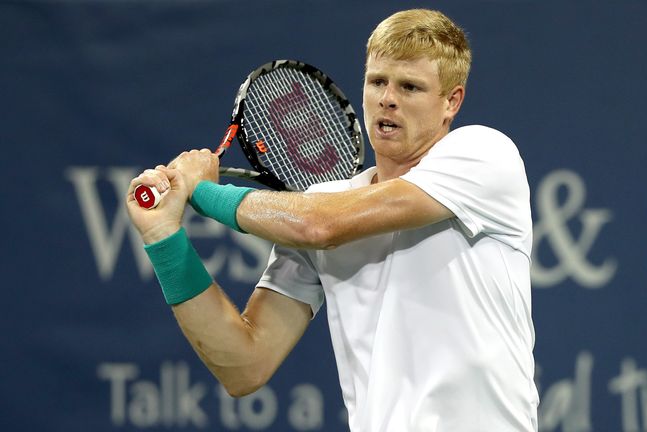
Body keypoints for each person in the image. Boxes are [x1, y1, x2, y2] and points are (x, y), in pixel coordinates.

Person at [126, 8, 538, 431]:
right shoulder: (322, 202)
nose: (387, 99)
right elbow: (245, 366)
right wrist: (164, 239)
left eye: (410, 87)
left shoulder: (485, 154)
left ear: (452, 102)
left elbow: (320, 227)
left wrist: (203, 192)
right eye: (377, 81)